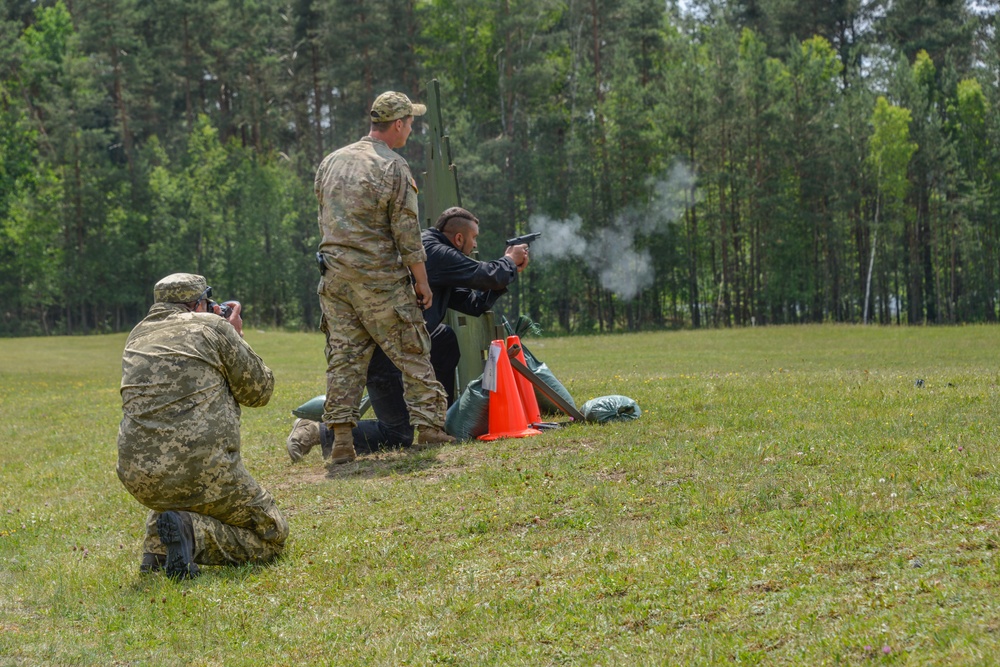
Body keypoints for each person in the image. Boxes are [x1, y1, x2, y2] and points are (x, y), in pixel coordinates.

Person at [286, 206, 529, 459]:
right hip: (384, 352)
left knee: (443, 339)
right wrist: (509, 260)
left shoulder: (436, 256)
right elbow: (486, 274)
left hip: (405, 345)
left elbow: (473, 303)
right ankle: (316, 431)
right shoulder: (434, 251)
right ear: (459, 238)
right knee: (397, 435)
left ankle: (437, 422)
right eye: (474, 238)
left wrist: (503, 277)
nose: (474, 244)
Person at [117, 273, 287, 580]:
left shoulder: (137, 335)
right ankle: (193, 534)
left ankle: (157, 549)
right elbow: (260, 391)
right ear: (197, 304)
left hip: (138, 477)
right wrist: (235, 335)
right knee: (271, 534)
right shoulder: (214, 327)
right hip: (202, 469)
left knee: (180, 489)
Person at [314, 90, 452, 465]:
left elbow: (325, 218)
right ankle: (430, 428)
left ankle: (342, 439)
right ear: (398, 124)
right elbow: (407, 232)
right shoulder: (393, 166)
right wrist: (421, 282)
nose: (410, 131)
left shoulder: (331, 162)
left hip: (335, 280)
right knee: (412, 349)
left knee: (344, 357)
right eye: (410, 124)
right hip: (379, 281)